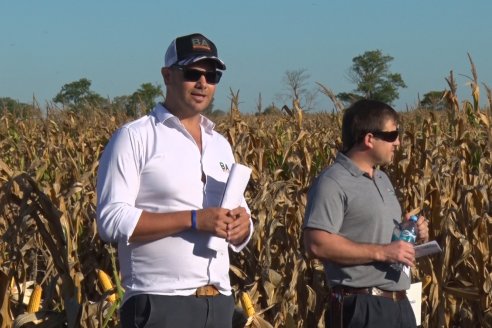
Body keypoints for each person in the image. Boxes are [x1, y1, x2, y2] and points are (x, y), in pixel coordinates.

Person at [96, 32, 253, 328]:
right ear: (167, 76)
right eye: (192, 73)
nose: (203, 82)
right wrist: (194, 219)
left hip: (219, 302)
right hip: (160, 302)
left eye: (212, 75)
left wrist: (243, 226)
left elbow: (238, 212)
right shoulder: (135, 137)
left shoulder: (220, 144)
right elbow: (111, 220)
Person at [303, 99, 429, 328]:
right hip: (362, 307)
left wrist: (410, 232)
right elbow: (317, 244)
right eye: (392, 135)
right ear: (369, 139)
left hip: (399, 304)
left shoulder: (383, 179)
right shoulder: (332, 182)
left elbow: (377, 234)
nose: (398, 142)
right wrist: (384, 252)